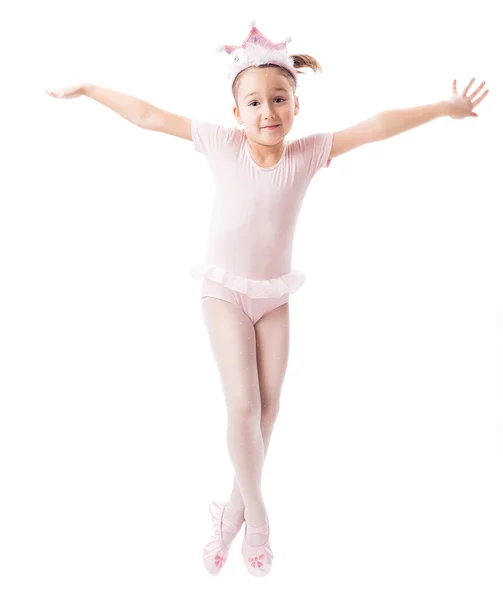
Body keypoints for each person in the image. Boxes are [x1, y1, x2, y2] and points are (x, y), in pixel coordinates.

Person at [45, 20, 488, 578]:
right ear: (236, 113)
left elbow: (376, 125)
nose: (267, 112)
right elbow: (151, 117)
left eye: (279, 99)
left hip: (274, 296)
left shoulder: (308, 153)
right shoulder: (219, 142)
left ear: (296, 106)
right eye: (253, 102)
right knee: (244, 406)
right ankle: (257, 520)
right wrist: (89, 89)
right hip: (224, 290)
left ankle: (228, 516)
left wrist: (443, 109)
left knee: (270, 407)